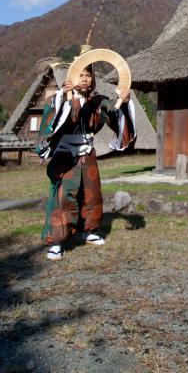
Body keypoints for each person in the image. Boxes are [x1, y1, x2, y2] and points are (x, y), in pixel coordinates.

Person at [36, 65, 135, 261]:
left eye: (88, 75)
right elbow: (52, 118)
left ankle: (89, 230)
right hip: (65, 155)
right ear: (72, 76)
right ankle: (56, 241)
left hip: (87, 153)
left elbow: (112, 111)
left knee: (92, 193)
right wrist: (61, 98)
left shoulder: (97, 101)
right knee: (64, 196)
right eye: (80, 75)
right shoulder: (62, 98)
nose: (84, 79)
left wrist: (122, 102)